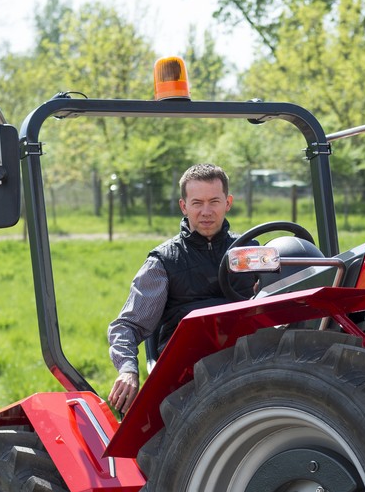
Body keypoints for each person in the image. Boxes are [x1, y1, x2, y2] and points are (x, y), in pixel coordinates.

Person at [107, 163, 255, 413]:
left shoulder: (250, 253)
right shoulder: (164, 262)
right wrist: (128, 369)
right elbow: (127, 326)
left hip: (248, 365)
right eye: (197, 203)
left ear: (228, 203)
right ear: (183, 206)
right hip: (188, 377)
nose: (206, 211)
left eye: (214, 202)